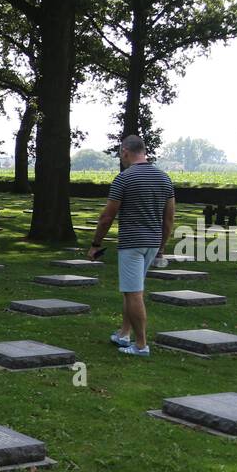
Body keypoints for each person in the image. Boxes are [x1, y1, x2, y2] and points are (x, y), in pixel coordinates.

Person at [87, 135, 175, 357]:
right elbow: (169, 220)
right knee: (132, 290)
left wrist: (96, 244)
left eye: (121, 154)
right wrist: (162, 246)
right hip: (153, 242)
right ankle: (124, 333)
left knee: (133, 293)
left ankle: (141, 344)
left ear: (126, 151)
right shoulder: (164, 179)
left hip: (132, 243)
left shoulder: (124, 179)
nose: (121, 158)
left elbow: (107, 217)